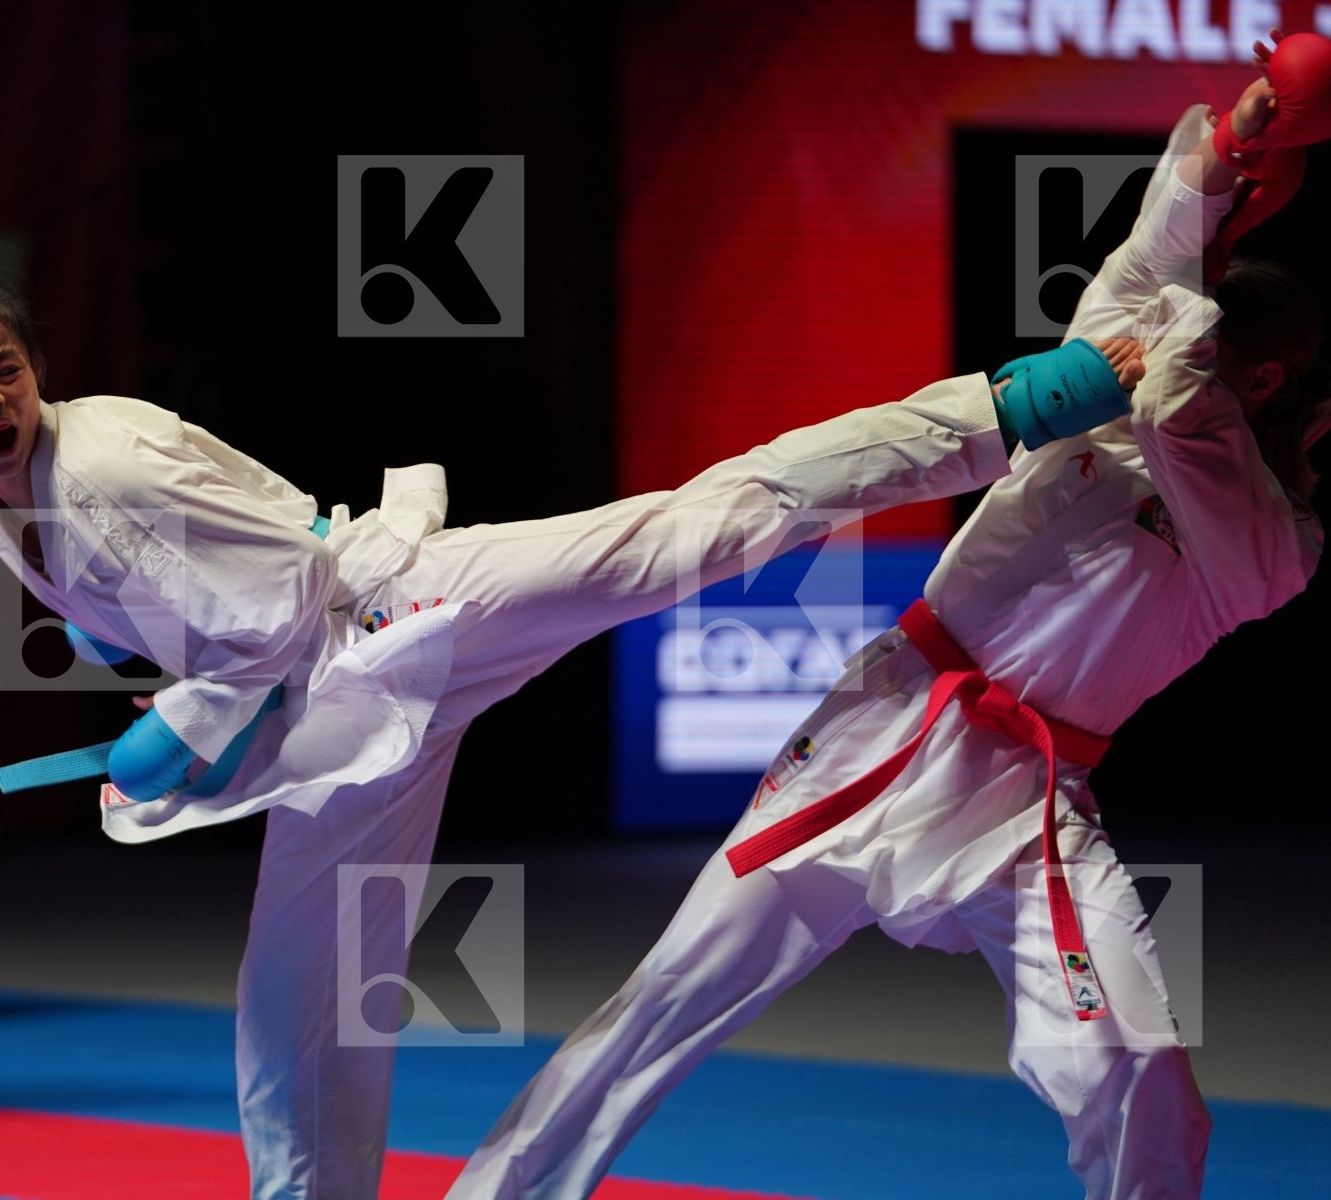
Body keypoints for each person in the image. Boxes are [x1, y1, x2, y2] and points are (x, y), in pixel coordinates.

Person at [0, 252, 1141, 1196]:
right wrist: (141, 649)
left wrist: (180, 713)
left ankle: (1017, 403)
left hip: (399, 612)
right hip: (332, 730)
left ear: (37, 367)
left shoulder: (100, 464)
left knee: (695, 525)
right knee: (299, 987)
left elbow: (272, 615)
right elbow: (172, 601)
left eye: (9, 369)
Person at [447, 47, 1329, 1200]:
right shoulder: (1133, 362)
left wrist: (1190, 277)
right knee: (658, 1004)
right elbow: (1144, 269)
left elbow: (1176, 396)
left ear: (1259, 384)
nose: (1171, 334)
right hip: (881, 726)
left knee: (1136, 1063)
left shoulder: (1270, 544)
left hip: (1029, 804)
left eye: (1207, 339)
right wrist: (1226, 159)